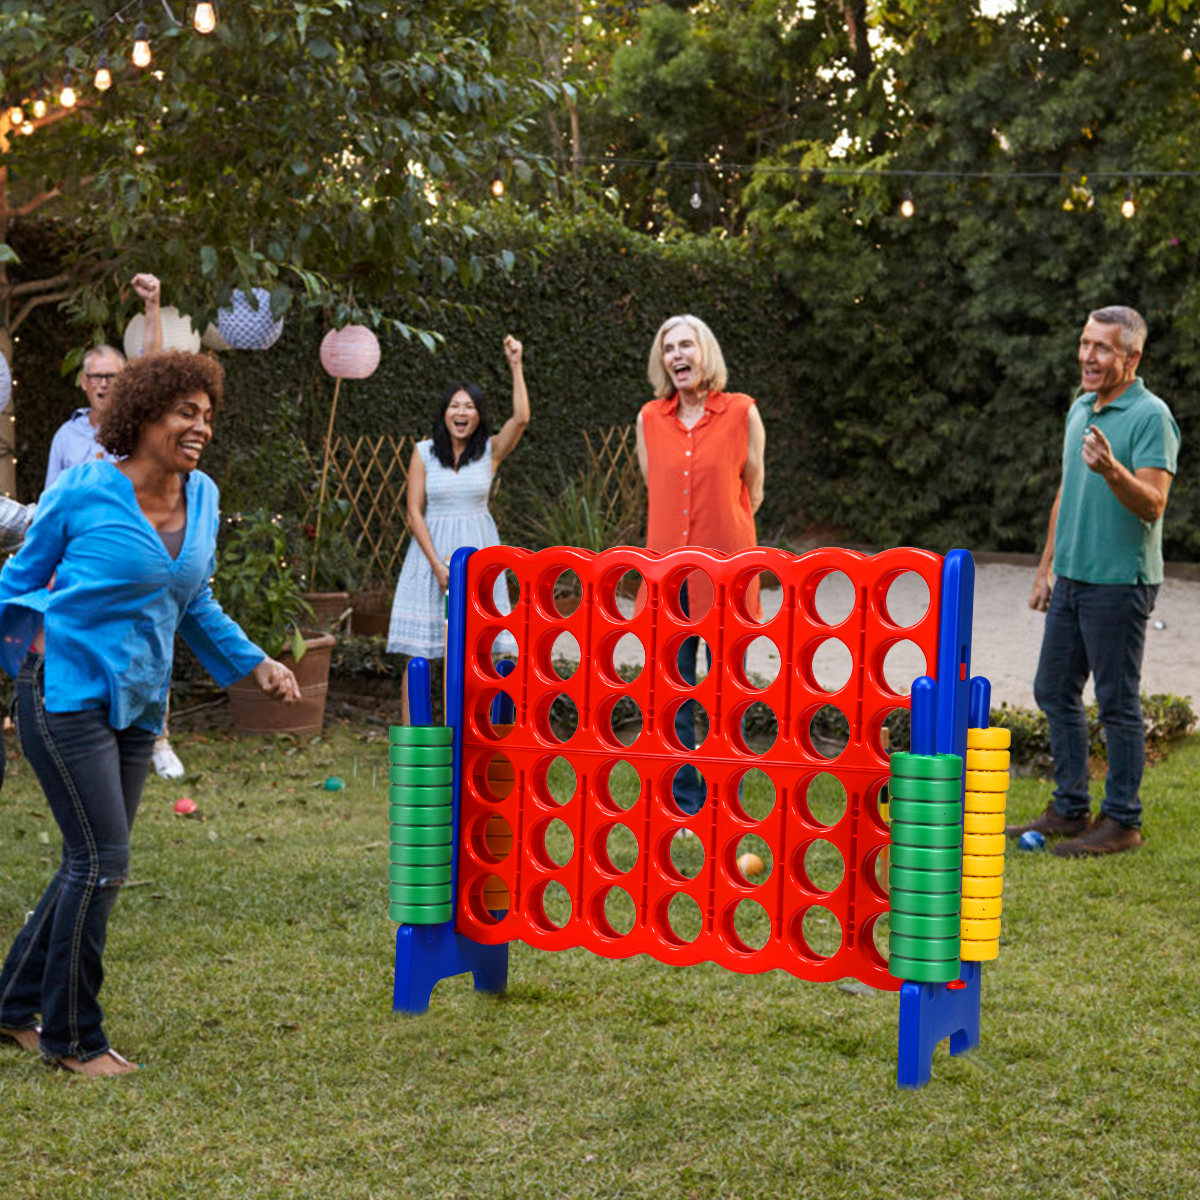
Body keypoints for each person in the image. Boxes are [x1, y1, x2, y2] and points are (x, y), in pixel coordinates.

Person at [0, 350, 300, 1075]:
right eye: (184, 413)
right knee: (101, 861)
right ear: (143, 416)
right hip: (64, 691)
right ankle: (74, 1039)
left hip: (139, 702)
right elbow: (18, 577)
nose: (199, 427)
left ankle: (12, 1008)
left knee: (89, 861)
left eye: (207, 415)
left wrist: (257, 663)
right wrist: (40, 638)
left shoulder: (204, 498)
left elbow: (193, 601)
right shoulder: (82, 492)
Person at [1008, 306, 1180, 857]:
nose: (1088, 356)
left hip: (1120, 583)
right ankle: (1070, 807)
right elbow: (1066, 492)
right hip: (1072, 577)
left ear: (1132, 357)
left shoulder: (1152, 417)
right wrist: (1045, 568)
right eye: (1085, 343)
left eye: (1102, 348)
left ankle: (1122, 821)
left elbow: (1153, 504)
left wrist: (1113, 470)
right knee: (1053, 689)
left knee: (1115, 700)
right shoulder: (1081, 408)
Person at [45, 275, 187, 782]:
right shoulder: (66, 436)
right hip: (83, 566)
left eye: (112, 375)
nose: (103, 383)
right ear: (84, 383)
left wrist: (152, 306)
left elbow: (154, 367)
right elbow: (50, 509)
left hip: (136, 557)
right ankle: (92, 742)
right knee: (88, 652)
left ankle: (157, 738)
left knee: (149, 643)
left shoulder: (138, 426)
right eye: (95, 376)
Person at [636, 315, 766, 829]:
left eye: (685, 345)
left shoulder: (741, 412)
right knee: (674, 693)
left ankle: (726, 801)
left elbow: (753, 486)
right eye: (668, 348)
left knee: (727, 692)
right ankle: (686, 802)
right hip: (668, 576)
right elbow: (656, 488)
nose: (676, 355)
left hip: (728, 571)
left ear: (704, 352)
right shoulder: (649, 417)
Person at [387, 335, 529, 721]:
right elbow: (413, 512)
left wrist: (516, 364)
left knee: (474, 649)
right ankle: (413, 736)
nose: (461, 412)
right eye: (455, 406)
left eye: (470, 407)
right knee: (420, 651)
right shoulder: (423, 452)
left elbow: (522, 419)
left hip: (479, 556)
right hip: (429, 557)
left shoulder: (490, 453)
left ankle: (468, 734)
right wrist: (437, 564)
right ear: (444, 412)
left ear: (479, 415)